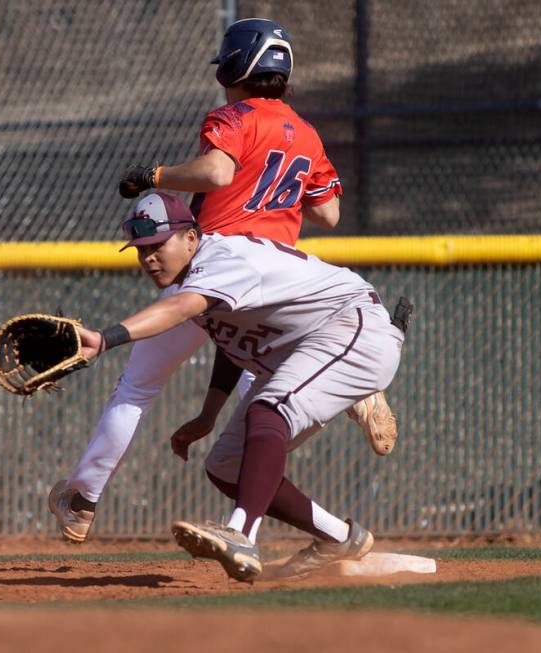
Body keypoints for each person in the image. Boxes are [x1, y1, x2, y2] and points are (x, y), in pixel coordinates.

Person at [47, 17, 396, 547]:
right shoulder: (305, 131)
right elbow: (328, 214)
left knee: (138, 387)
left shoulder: (233, 115)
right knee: (264, 381)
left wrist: (153, 175)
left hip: (216, 262)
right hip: (280, 276)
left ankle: (84, 498)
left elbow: (216, 175)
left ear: (236, 67)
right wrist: (279, 187)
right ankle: (354, 397)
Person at [73, 193, 404, 582]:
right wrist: (209, 415)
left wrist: (105, 338)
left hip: (354, 328)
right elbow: (234, 344)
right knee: (226, 467)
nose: (148, 258)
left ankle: (242, 535)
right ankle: (341, 538)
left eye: (158, 245)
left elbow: (179, 310)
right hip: (301, 351)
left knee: (270, 409)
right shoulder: (197, 278)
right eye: (142, 249)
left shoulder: (221, 260)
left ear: (191, 238)